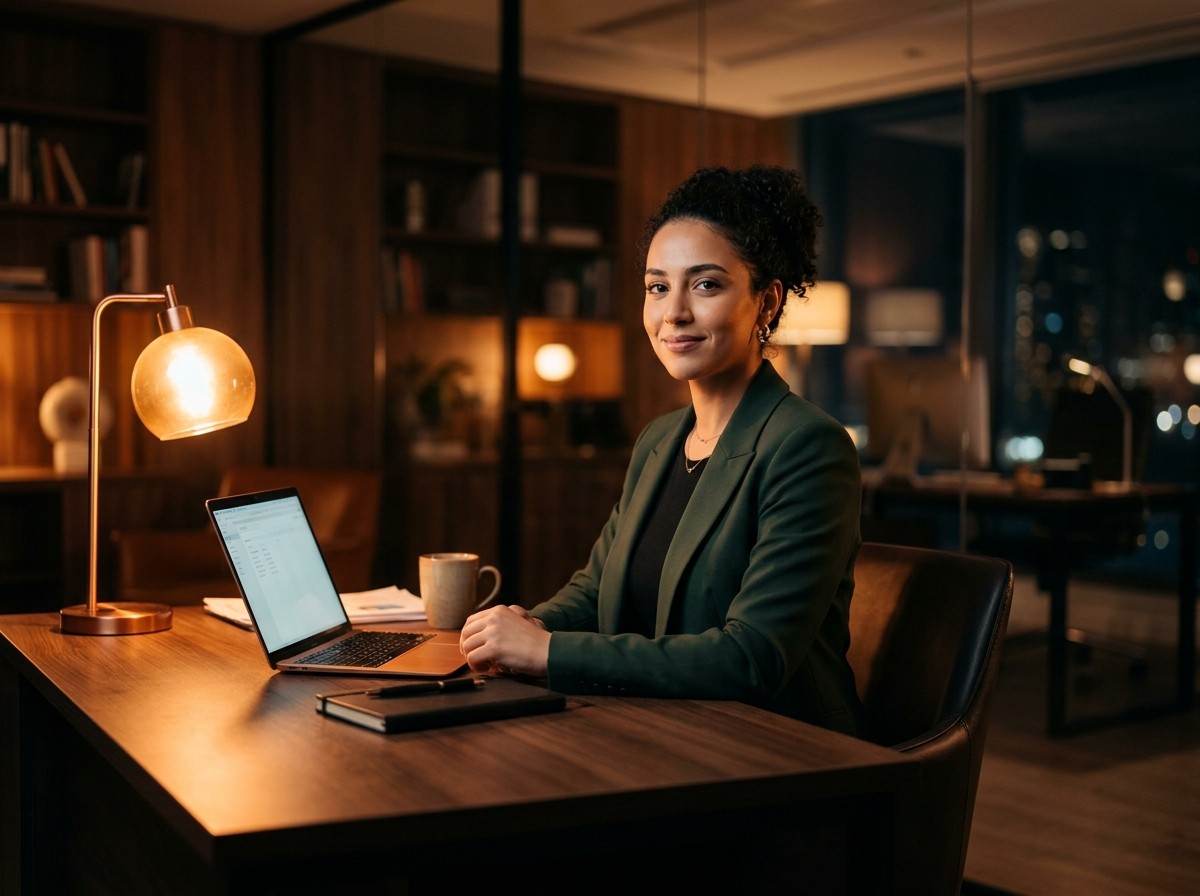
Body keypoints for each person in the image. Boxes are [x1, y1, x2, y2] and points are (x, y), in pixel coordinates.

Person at [459, 164, 866, 735]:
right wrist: (513, 630)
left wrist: (547, 652)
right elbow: (598, 588)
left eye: (705, 284)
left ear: (768, 303)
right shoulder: (659, 439)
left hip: (778, 749)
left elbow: (750, 658)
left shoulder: (808, 447)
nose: (673, 312)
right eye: (657, 286)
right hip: (660, 726)